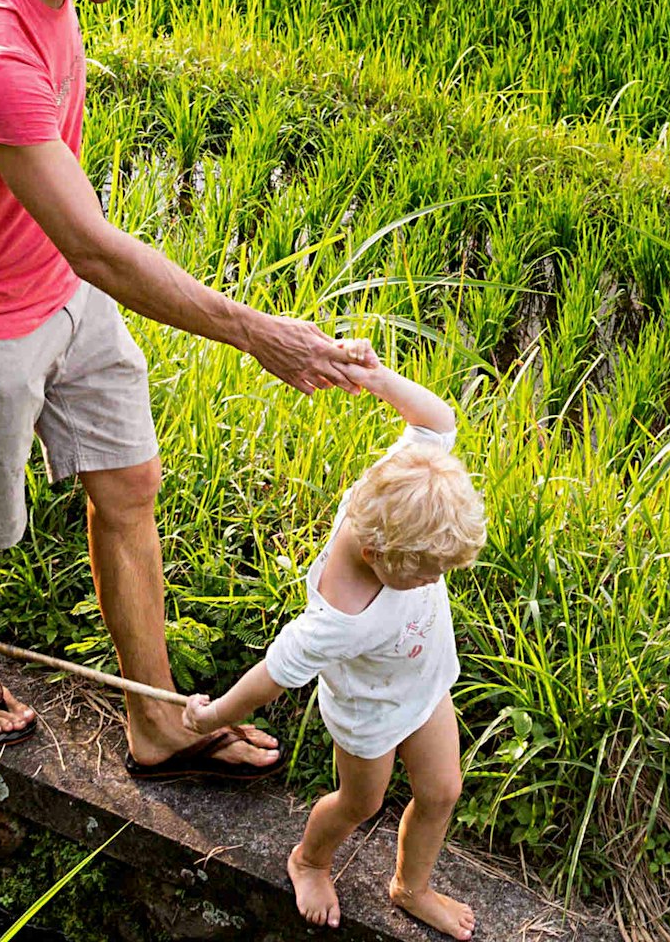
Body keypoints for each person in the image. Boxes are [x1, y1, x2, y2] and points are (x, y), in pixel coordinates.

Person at [0, 0, 377, 775]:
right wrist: (258, 332)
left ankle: (154, 720)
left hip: (63, 301)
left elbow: (78, 257)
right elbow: (97, 246)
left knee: (128, 485)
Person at [181, 362, 485, 936]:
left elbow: (438, 422)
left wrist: (374, 377)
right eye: (425, 575)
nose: (433, 583)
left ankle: (410, 887)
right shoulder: (339, 618)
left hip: (423, 685)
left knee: (443, 790)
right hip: (369, 710)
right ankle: (309, 860)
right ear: (374, 555)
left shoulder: (394, 493)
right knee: (359, 802)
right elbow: (273, 672)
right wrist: (213, 716)